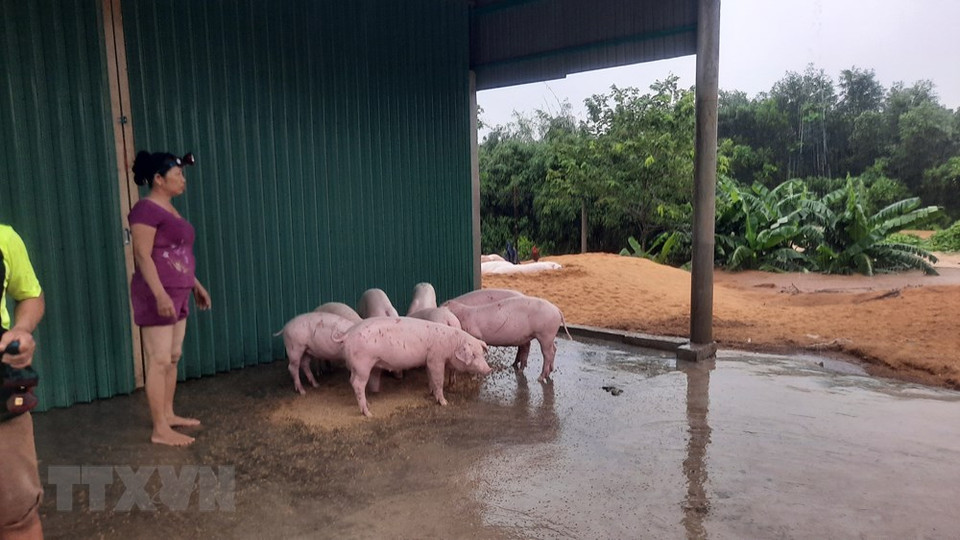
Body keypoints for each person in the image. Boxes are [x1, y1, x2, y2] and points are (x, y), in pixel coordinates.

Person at [129, 151, 211, 447]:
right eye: (178, 175)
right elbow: (142, 254)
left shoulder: (172, 211)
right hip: (157, 294)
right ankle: (159, 429)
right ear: (158, 179)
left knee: (173, 356)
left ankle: (168, 413)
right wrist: (160, 294)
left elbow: (179, 254)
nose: (183, 180)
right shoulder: (145, 210)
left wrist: (195, 284)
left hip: (178, 291)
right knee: (159, 359)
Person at [0, 223, 46, 540]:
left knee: (17, 516)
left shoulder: (4, 238)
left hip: (1, 392)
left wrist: (22, 329)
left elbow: (31, 295)